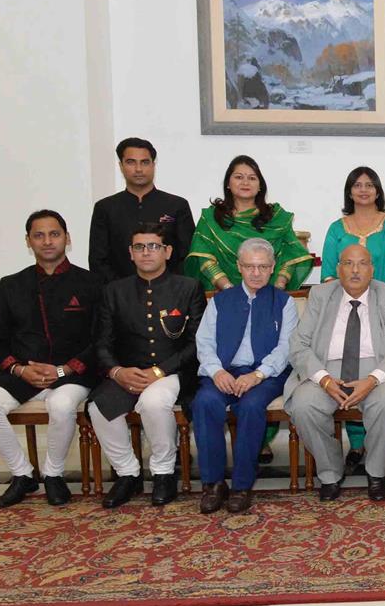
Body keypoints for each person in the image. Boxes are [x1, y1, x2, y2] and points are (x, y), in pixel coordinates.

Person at [0, 210, 102, 508]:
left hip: (73, 373)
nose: (47, 241)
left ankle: (54, 475)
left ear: (67, 239)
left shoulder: (91, 283)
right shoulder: (11, 285)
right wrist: (19, 369)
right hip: (24, 373)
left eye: (54, 234)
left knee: (60, 404)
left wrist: (64, 369)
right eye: (39, 235)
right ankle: (23, 474)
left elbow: (101, 340)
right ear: (28, 241)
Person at [89, 223, 205, 508]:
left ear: (167, 251)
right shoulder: (114, 291)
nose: (146, 253)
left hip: (173, 371)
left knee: (154, 402)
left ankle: (164, 473)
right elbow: (102, 343)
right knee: (98, 407)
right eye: (139, 247)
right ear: (130, 253)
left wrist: (160, 371)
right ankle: (128, 473)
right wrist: (117, 372)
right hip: (128, 372)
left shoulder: (188, 288)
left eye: (153, 246)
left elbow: (197, 343)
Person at [286, 244, 385, 501]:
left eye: (362, 263)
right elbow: (299, 344)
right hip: (326, 369)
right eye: (348, 263)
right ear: (338, 268)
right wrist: (323, 379)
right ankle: (331, 472)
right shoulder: (320, 295)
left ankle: (376, 472)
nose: (355, 270)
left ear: (372, 269)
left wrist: (373, 379)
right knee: (303, 405)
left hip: (376, 370)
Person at [191, 238, 299, 514]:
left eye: (263, 266)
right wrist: (217, 371)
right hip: (224, 371)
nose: (256, 273)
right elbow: (204, 342)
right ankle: (213, 484)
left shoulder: (283, 302)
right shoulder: (220, 301)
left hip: (266, 374)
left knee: (251, 406)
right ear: (239, 267)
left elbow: (287, 347)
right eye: (250, 266)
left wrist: (258, 375)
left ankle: (241, 485)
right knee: (204, 403)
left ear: (273, 267)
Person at [321, 166, 385, 471]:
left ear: (378, 190)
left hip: (383, 313)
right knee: (345, 367)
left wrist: (380, 304)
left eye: (369, 185)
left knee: (380, 382)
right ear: (349, 191)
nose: (363, 190)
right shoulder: (337, 228)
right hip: (345, 312)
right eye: (357, 185)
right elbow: (330, 276)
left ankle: (375, 452)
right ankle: (356, 447)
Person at [186, 154, 313, 292]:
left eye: (252, 178)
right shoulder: (211, 218)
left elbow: (291, 255)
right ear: (228, 183)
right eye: (239, 177)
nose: (245, 182)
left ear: (260, 186)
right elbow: (204, 258)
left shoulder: (277, 217)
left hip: (270, 296)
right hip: (225, 296)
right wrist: (229, 290)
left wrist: (277, 288)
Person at [89, 137, 194, 284]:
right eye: (131, 162)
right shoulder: (105, 208)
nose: (138, 169)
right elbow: (98, 261)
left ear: (153, 165)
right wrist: (121, 292)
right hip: (119, 296)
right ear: (121, 166)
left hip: (170, 295)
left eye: (145, 162)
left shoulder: (176, 205)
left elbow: (187, 257)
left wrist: (171, 288)